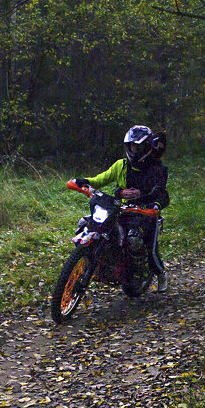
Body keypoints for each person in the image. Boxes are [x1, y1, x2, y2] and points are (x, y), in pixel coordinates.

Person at [72, 125, 170, 291]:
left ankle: (160, 274)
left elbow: (161, 194)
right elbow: (100, 179)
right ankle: (90, 263)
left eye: (137, 146)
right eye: (130, 146)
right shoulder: (121, 165)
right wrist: (83, 181)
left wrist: (151, 203)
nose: (133, 150)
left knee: (136, 239)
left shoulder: (157, 169)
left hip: (144, 213)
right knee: (85, 224)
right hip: (120, 210)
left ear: (146, 146)